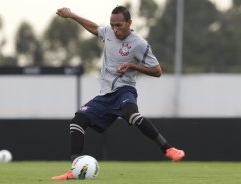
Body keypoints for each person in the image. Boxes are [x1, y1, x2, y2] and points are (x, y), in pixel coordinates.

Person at [52, 6, 185, 180]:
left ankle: (168, 149)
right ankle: (75, 170)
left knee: (133, 115)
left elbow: (157, 70)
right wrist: (71, 15)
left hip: (125, 91)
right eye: (112, 25)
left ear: (129, 23)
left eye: (119, 25)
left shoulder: (139, 44)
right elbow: (94, 28)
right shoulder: (108, 32)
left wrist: (132, 66)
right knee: (77, 122)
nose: (115, 29)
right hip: (105, 95)